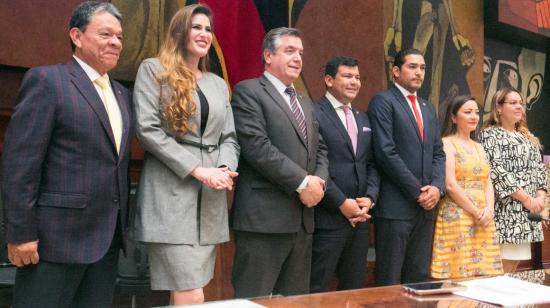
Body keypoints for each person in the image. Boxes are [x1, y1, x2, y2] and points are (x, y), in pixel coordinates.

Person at [1, 2, 131, 307]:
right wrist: (20, 234)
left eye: (120, 37)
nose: (115, 42)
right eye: (106, 34)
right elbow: (21, 164)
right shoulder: (48, 81)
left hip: (107, 242)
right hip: (54, 242)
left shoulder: (123, 95)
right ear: (77, 35)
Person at [133, 4, 239, 305]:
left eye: (208, 28)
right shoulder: (154, 69)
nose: (204, 34)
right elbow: (147, 130)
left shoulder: (217, 84)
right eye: (197, 27)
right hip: (170, 200)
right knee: (191, 293)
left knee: (194, 289)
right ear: (180, 31)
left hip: (210, 203)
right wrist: (197, 169)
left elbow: (230, 137)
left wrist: (223, 167)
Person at [231, 27, 329, 297]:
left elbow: (319, 148)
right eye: (289, 51)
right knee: (253, 301)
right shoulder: (248, 91)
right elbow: (256, 147)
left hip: (302, 221)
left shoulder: (305, 101)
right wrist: (302, 182)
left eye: (300, 53)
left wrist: (318, 181)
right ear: (268, 56)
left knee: (296, 302)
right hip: (264, 221)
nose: (298, 58)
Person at [367, 48, 445, 286]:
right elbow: (385, 152)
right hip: (395, 209)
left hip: (425, 210)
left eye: (422, 67)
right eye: (412, 67)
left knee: (419, 279)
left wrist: (437, 188)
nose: (419, 72)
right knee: (389, 280)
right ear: (396, 71)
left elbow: (438, 153)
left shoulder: (427, 107)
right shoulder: (383, 101)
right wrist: (418, 191)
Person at [310, 56, 379, 292]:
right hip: (328, 218)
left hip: (360, 220)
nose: (354, 82)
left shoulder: (363, 117)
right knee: (317, 288)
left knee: (354, 288)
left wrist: (370, 198)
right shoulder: (313, 112)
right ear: (329, 80)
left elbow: (371, 163)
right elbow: (313, 164)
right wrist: (340, 202)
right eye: (347, 76)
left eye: (357, 77)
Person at [431, 95, 503, 278]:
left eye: (476, 112)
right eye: (468, 112)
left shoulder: (479, 147)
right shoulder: (447, 143)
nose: (474, 117)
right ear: (454, 118)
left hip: (483, 218)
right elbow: (450, 184)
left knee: (485, 276)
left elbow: (487, 181)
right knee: (459, 276)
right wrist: (475, 211)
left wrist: (489, 210)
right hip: (458, 215)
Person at [479, 87, 547, 273]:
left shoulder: (527, 137)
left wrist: (540, 199)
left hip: (526, 213)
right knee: (502, 268)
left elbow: (540, 171)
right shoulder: (489, 135)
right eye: (513, 103)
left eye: (521, 103)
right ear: (498, 108)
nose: (519, 107)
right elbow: (497, 172)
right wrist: (526, 199)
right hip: (506, 211)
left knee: (514, 265)